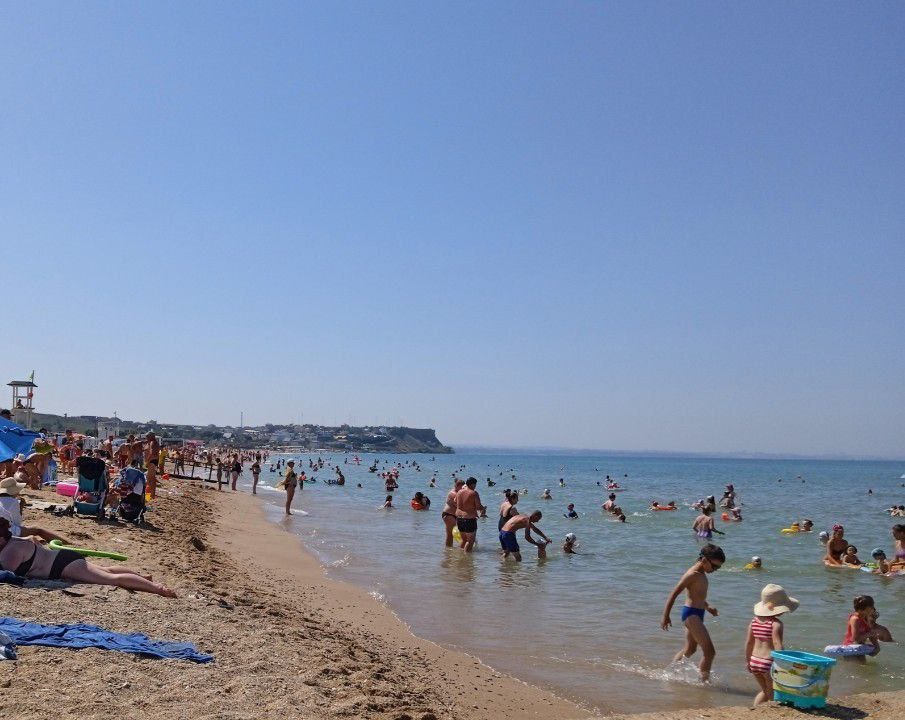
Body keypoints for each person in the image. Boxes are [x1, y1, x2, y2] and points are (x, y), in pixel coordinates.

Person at [0, 516, 174, 597]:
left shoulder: (10, 551)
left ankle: (157, 589)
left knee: (111, 579)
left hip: (63, 566)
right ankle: (142, 578)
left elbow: (7, 575)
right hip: (62, 559)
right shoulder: (13, 541)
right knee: (107, 570)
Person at [661, 544, 725, 683]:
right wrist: (666, 616)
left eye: (718, 568)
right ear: (704, 560)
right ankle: (703, 683)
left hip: (697, 613)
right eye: (714, 566)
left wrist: (708, 607)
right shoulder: (692, 574)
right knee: (710, 652)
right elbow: (674, 594)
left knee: (690, 649)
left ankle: (670, 673)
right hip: (691, 615)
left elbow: (697, 596)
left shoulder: (701, 573)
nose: (715, 570)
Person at [745, 584, 798, 707]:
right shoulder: (776, 624)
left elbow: (749, 643)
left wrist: (748, 661)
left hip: (754, 661)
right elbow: (777, 643)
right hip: (767, 662)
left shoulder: (753, 622)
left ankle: (755, 709)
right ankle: (770, 709)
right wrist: (783, 662)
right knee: (772, 691)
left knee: (764, 690)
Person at [0, 477, 68, 543]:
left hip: (3, 528)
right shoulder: (13, 502)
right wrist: (21, 507)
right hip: (5, 531)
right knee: (38, 530)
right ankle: (67, 543)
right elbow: (17, 523)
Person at [454, 477, 485, 553]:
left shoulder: (459, 492)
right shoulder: (473, 493)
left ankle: (460, 556)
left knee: (464, 540)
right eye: (475, 484)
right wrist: (483, 508)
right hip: (469, 519)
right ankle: (466, 558)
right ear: (473, 484)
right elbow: (478, 507)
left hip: (459, 518)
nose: (475, 486)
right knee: (470, 541)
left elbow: (455, 501)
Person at [442, 479, 464, 547]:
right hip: (449, 514)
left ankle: (448, 550)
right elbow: (459, 505)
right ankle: (449, 549)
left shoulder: (458, 493)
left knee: (450, 535)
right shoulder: (453, 493)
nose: (463, 489)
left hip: (453, 515)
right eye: (462, 487)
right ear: (457, 486)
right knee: (450, 535)